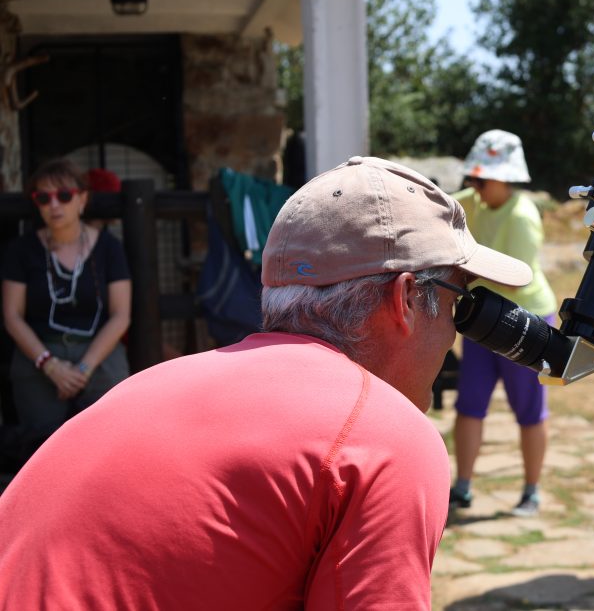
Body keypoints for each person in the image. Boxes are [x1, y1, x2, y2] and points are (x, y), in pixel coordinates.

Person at [0, 157, 532, 608]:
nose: (456, 334)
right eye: (458, 304)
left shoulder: (149, 385)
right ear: (406, 299)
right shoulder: (385, 440)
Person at [449, 129, 558, 518]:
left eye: (483, 178)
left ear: (506, 178)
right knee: (469, 405)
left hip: (523, 320)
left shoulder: (523, 216)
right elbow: (439, 208)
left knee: (529, 410)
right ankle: (462, 486)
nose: (475, 185)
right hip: (481, 319)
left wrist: (458, 271)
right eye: (472, 178)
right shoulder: (472, 203)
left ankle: (531, 490)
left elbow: (515, 276)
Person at [1, 158, 131, 444]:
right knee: (40, 446)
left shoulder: (109, 248)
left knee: (109, 442)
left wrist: (83, 369)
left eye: (64, 195)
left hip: (100, 355)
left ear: (82, 199)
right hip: (39, 356)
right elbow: (12, 315)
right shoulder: (21, 250)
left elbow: (121, 314)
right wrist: (50, 365)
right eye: (44, 198)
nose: (54, 205)